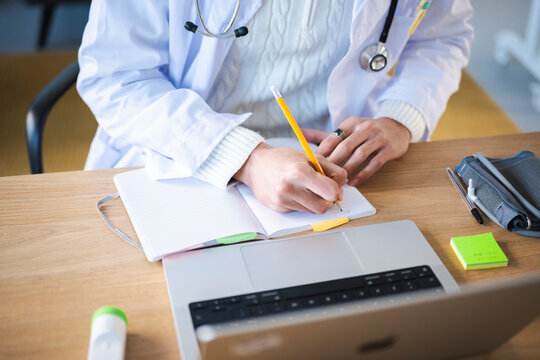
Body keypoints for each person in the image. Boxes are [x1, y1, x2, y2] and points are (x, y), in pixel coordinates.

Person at [77, 0, 473, 214]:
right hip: (180, 155)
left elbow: (442, 37)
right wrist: (244, 159)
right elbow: (116, 77)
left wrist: (400, 117)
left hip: (334, 165)